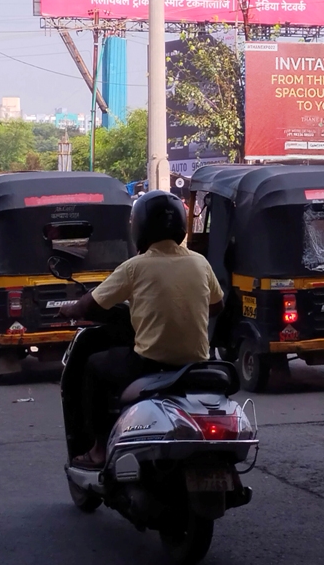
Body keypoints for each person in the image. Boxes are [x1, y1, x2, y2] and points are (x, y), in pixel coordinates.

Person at [60, 191, 224, 468]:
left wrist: (68, 309)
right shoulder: (200, 262)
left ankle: (99, 449)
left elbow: (88, 306)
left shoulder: (135, 267)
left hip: (149, 363)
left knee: (94, 367)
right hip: (197, 362)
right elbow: (217, 306)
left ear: (139, 227)